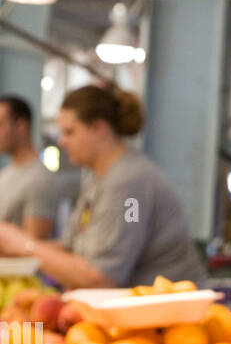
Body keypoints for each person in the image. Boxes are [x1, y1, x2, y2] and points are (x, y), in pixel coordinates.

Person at [0, 85, 206, 290]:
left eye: (69, 132)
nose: (62, 142)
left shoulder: (130, 186)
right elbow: (71, 248)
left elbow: (102, 277)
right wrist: (14, 246)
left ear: (99, 129)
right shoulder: (98, 179)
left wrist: (24, 245)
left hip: (165, 311)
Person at [0, 96, 60, 239]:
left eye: (0, 124)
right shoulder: (7, 173)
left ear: (21, 126)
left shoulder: (40, 179)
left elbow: (33, 245)